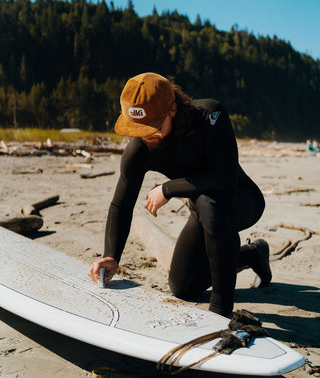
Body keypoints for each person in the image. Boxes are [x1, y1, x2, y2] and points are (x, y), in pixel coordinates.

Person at [88, 72, 271, 318]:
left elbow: (224, 178)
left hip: (240, 200)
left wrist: (167, 189)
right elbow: (121, 204)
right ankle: (251, 254)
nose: (145, 137)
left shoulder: (208, 116)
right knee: (183, 287)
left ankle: (221, 307)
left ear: (173, 109)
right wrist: (111, 255)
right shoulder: (140, 148)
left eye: (152, 128)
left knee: (208, 202)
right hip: (204, 211)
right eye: (137, 129)